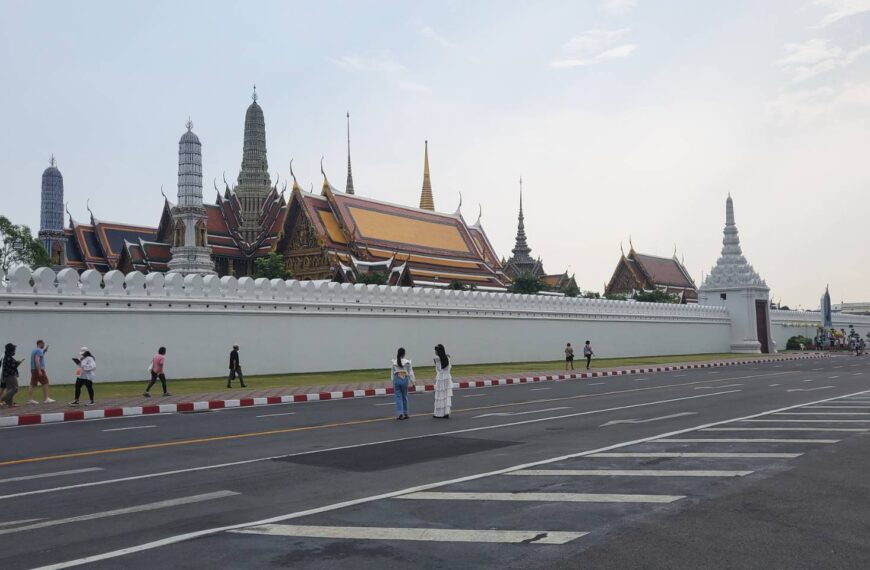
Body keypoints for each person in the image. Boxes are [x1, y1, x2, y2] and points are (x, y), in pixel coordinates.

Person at [28, 339, 55, 404]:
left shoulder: (34, 350)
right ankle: (46, 398)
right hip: (39, 369)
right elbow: (37, 360)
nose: (44, 345)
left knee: (32, 384)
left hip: (33, 369)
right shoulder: (39, 350)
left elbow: (40, 355)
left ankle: (30, 399)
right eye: (43, 344)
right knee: (45, 382)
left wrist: (44, 351)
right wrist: (39, 370)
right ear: (40, 344)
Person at [391, 347, 415, 420]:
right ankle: (406, 413)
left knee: (398, 397)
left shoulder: (394, 362)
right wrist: (413, 382)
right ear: (404, 354)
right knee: (404, 396)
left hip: (397, 378)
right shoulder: (407, 362)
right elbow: (410, 372)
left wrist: (393, 382)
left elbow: (392, 373)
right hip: (405, 379)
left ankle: (400, 414)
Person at [433, 344, 453, 419]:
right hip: (447, 378)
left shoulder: (436, 359)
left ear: (438, 351)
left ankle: (438, 413)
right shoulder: (447, 358)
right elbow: (448, 367)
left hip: (440, 378)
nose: (435, 352)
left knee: (439, 396)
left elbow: (438, 369)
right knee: (446, 396)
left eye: (436, 350)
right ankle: (446, 413)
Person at [1, 343, 23, 408]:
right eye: (14, 349)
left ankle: (10, 404)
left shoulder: (6, 356)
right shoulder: (8, 358)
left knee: (10, 389)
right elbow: (12, 366)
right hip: (10, 375)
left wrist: (16, 363)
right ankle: (2, 400)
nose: (14, 351)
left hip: (6, 376)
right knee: (14, 389)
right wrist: (18, 363)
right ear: (11, 350)